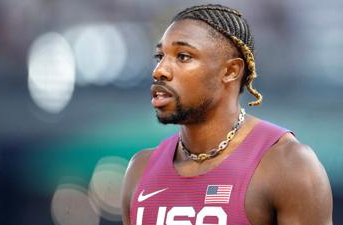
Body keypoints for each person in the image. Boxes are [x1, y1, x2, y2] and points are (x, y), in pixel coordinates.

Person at [121, 3, 333, 225]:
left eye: (183, 56)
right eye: (159, 56)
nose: (160, 70)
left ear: (231, 71)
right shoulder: (140, 170)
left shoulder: (288, 165)